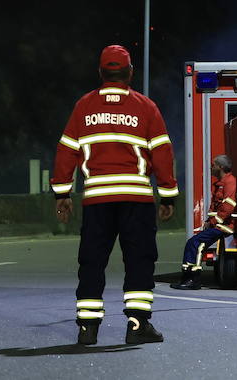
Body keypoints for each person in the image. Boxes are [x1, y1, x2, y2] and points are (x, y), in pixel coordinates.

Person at [52, 44, 178, 346]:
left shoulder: (83, 106)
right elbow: (162, 153)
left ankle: (88, 328)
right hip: (136, 198)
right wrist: (168, 195)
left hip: (97, 199)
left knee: (92, 261)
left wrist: (62, 194)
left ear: (100, 73)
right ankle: (137, 325)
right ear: (130, 73)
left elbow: (66, 151)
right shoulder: (146, 107)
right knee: (139, 260)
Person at [174, 155, 237, 289]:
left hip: (224, 227)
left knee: (196, 243)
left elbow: (228, 206)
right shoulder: (222, 183)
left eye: (213, 165)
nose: (211, 168)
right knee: (193, 243)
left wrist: (213, 222)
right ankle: (187, 277)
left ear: (220, 167)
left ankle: (193, 279)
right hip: (218, 225)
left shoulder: (229, 182)